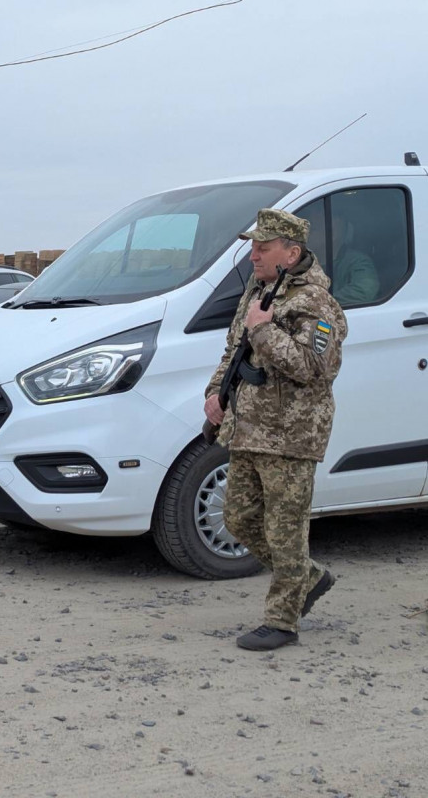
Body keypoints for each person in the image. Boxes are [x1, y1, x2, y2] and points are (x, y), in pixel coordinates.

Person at [203, 209, 347, 652]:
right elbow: (234, 350)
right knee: (238, 518)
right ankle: (308, 578)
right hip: (248, 428)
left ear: (292, 252)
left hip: (291, 435)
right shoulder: (260, 292)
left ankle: (282, 622)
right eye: (253, 247)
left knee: (286, 531)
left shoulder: (317, 303)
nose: (253, 256)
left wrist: (264, 332)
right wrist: (215, 394)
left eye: (263, 248)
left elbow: (314, 368)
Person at [330, 212, 379, 305]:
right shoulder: (302, 261)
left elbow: (364, 291)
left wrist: (318, 304)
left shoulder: (357, 261)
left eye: (313, 230)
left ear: (333, 231)